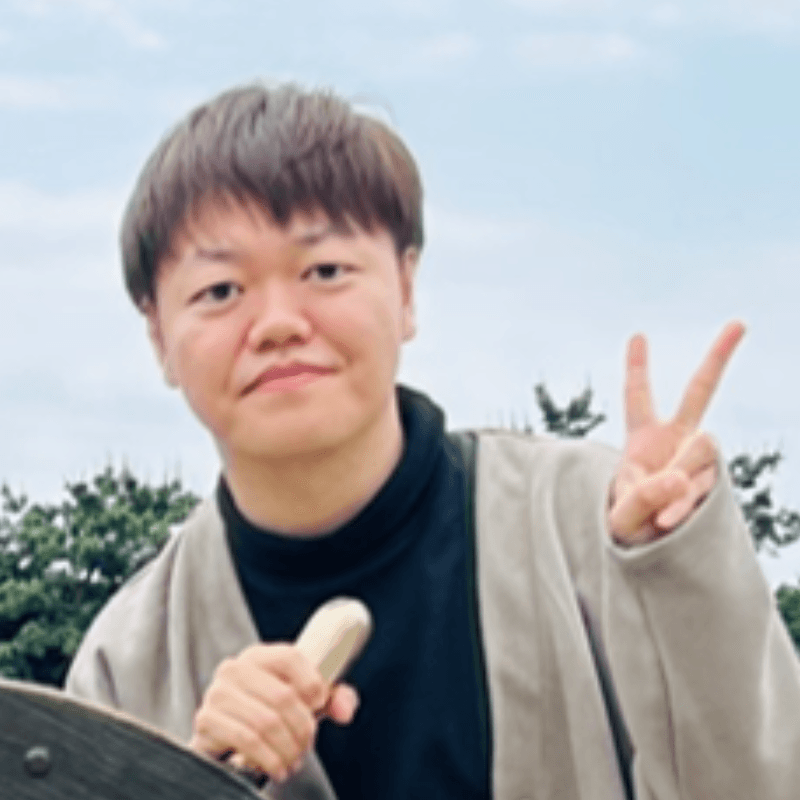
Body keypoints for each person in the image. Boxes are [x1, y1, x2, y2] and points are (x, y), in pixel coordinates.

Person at [65, 82, 800, 800]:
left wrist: (679, 573)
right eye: (221, 290)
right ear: (159, 336)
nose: (278, 322)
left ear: (407, 289)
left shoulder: (589, 523)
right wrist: (188, 781)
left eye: (325, 270)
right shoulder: (127, 663)